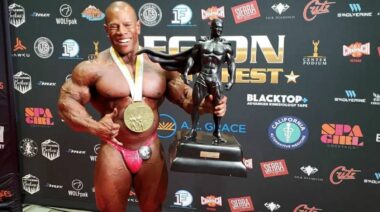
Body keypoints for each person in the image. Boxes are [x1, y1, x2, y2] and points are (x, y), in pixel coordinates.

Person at [57, 1, 227, 212]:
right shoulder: (93, 68)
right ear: (105, 29)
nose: (121, 32)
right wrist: (94, 126)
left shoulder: (160, 63)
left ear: (138, 26)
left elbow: (185, 97)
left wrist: (207, 104)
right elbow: (67, 101)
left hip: (150, 148)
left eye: (127, 25)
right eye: (114, 26)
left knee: (153, 208)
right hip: (114, 149)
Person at [183, 18, 235, 143]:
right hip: (202, 77)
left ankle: (217, 132)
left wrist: (231, 79)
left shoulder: (226, 46)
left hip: (215, 79)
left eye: (220, 28)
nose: (218, 30)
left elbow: (231, 63)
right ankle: (193, 130)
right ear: (211, 27)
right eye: (216, 27)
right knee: (195, 105)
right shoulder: (202, 43)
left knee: (217, 106)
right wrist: (185, 72)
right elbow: (191, 58)